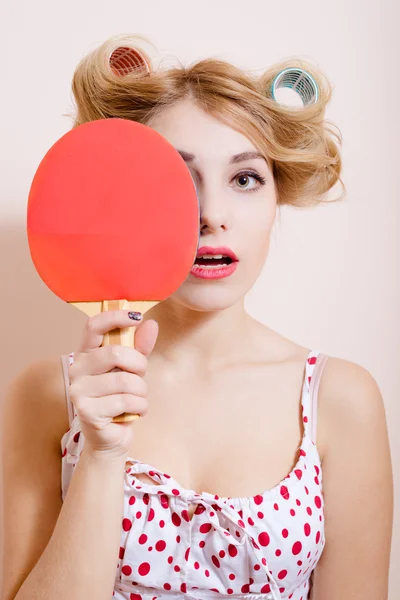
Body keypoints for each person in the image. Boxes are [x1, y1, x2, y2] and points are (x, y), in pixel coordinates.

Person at [1, 34, 393, 600]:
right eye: (178, 180)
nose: (211, 215)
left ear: (275, 198)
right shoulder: (49, 394)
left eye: (245, 179)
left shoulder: (340, 399)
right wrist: (103, 456)